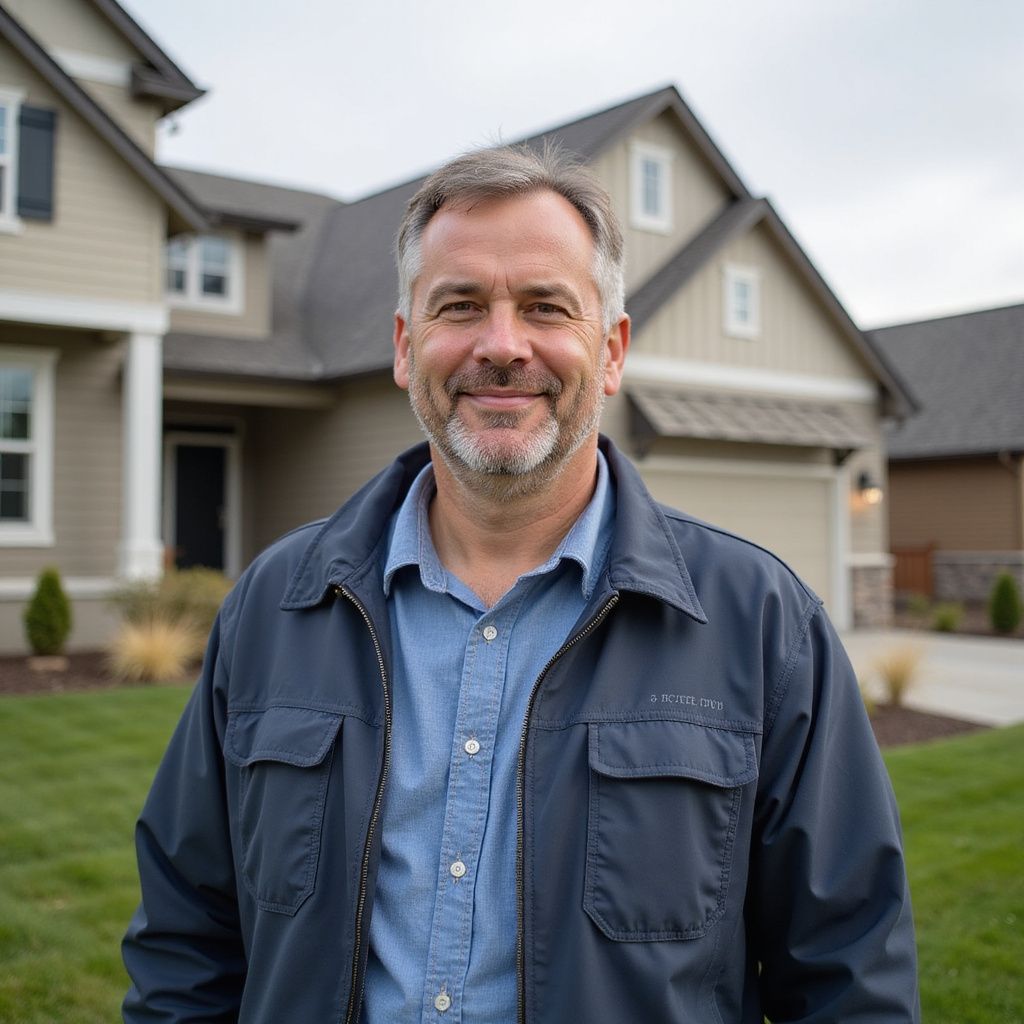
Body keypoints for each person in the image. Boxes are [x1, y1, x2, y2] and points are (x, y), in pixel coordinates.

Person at [122, 144, 919, 1023]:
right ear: (404, 345)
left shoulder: (763, 626)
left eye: (546, 307)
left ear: (610, 350)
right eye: (460, 306)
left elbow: (851, 974)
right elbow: (186, 937)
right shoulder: (276, 608)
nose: (503, 347)